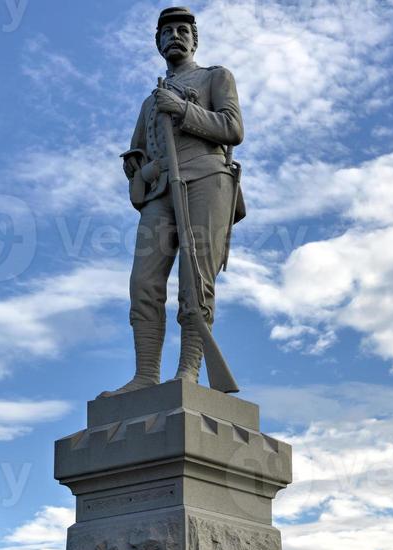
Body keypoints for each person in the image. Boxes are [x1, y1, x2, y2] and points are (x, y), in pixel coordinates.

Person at [101, 5, 245, 397]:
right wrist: (139, 168)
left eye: (183, 30)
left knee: (195, 279)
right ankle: (145, 374)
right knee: (143, 283)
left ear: (194, 39)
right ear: (158, 43)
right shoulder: (150, 102)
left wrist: (183, 109)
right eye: (167, 33)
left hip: (207, 179)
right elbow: (138, 155)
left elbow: (233, 129)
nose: (175, 36)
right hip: (162, 192)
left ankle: (189, 371)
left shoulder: (216, 77)